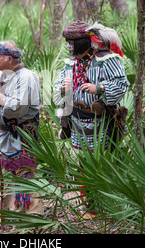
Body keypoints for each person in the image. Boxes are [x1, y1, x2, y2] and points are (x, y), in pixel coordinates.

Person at [53, 20, 130, 218]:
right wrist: (63, 88)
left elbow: (122, 84)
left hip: (101, 121)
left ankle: (104, 205)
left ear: (83, 42)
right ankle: (90, 205)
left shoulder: (106, 59)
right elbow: (57, 88)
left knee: (101, 161)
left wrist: (100, 88)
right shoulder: (70, 63)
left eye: (72, 43)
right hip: (78, 120)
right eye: (67, 43)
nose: (69, 47)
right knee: (84, 163)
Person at [0, 41, 42, 214]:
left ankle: (32, 216)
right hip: (6, 134)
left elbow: (15, 108)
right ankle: (18, 210)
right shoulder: (2, 75)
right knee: (15, 173)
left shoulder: (26, 77)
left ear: (10, 58)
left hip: (23, 134)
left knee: (25, 173)